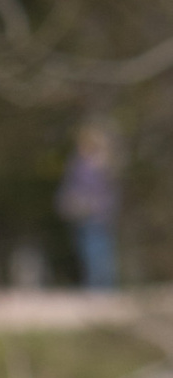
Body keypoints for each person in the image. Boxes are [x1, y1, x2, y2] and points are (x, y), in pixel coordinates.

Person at [57, 123, 123, 293]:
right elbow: (69, 188)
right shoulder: (78, 164)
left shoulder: (103, 164)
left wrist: (97, 204)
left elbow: (110, 192)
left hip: (99, 215)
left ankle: (103, 287)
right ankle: (95, 286)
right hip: (82, 214)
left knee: (99, 250)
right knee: (87, 249)